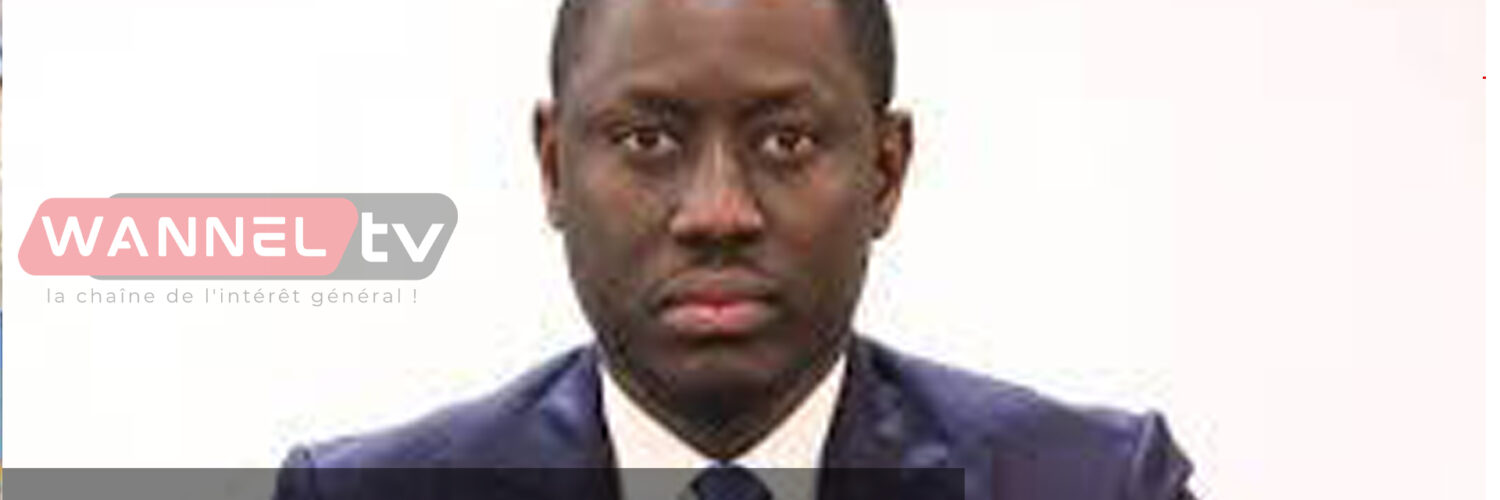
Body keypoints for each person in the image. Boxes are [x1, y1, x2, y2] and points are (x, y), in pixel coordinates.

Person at [274, 0, 1196, 499]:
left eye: (785, 141)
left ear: (884, 171)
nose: (717, 213)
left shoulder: (1096, 486)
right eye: (648, 140)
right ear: (554, 168)